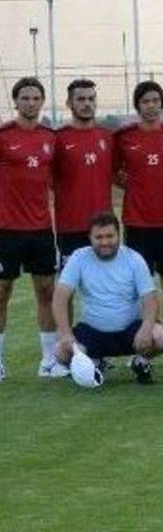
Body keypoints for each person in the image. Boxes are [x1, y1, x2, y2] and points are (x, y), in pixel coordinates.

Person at [113, 80, 163, 366]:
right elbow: (113, 170)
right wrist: (129, 184)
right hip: (137, 222)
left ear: (162, 104)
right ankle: (141, 345)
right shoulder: (124, 137)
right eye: (145, 101)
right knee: (139, 288)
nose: (151, 106)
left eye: (156, 100)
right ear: (138, 105)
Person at [52, 212, 163, 385]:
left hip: (130, 331)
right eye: (99, 237)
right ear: (90, 238)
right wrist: (65, 333)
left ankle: (140, 362)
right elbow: (60, 297)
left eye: (109, 236)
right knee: (61, 352)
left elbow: (150, 298)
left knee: (161, 337)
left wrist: (146, 328)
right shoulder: (78, 258)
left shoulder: (134, 259)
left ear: (118, 235)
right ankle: (94, 362)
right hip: (92, 331)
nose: (105, 242)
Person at [0, 77, 60, 379]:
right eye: (25, 98)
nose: (31, 103)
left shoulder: (51, 137)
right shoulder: (3, 136)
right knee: (2, 292)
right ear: (15, 101)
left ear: (42, 101)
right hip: (6, 229)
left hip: (40, 229)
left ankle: (48, 361)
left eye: (36, 98)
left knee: (46, 292)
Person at [53, 78, 114, 269]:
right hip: (70, 226)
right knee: (70, 282)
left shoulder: (108, 137)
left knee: (106, 281)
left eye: (91, 99)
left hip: (104, 227)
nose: (87, 104)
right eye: (80, 99)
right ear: (69, 103)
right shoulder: (58, 138)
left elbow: (119, 173)